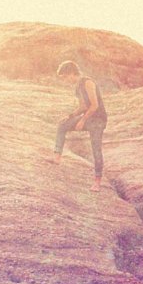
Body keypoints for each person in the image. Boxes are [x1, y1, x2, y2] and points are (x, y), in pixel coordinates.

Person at [53, 61, 107, 192]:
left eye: (65, 77)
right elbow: (83, 106)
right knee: (62, 125)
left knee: (96, 149)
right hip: (89, 117)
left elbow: (94, 105)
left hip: (98, 120)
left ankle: (97, 182)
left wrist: (82, 120)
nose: (65, 81)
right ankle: (57, 157)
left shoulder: (87, 82)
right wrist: (70, 116)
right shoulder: (77, 86)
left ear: (72, 73)